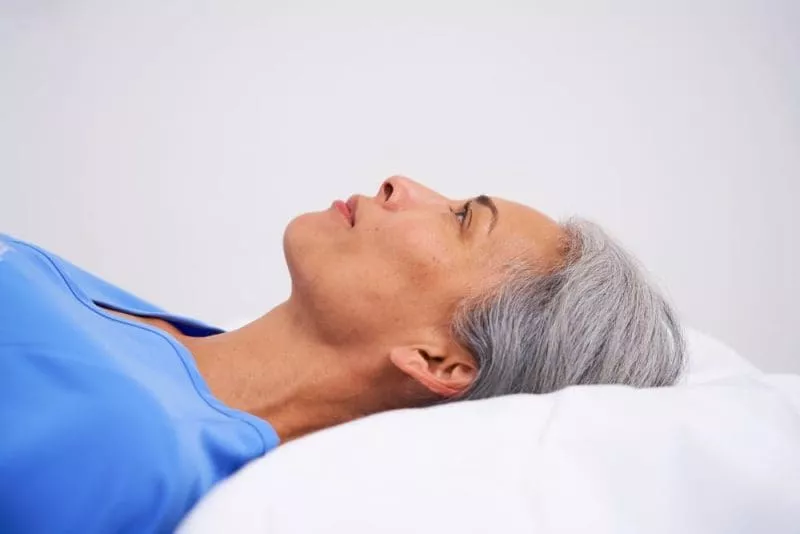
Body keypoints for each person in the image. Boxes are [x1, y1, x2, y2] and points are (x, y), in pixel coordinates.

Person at [0, 176, 685, 533]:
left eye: (461, 219)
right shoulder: (158, 338)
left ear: (441, 360)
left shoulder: (127, 446)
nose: (400, 184)